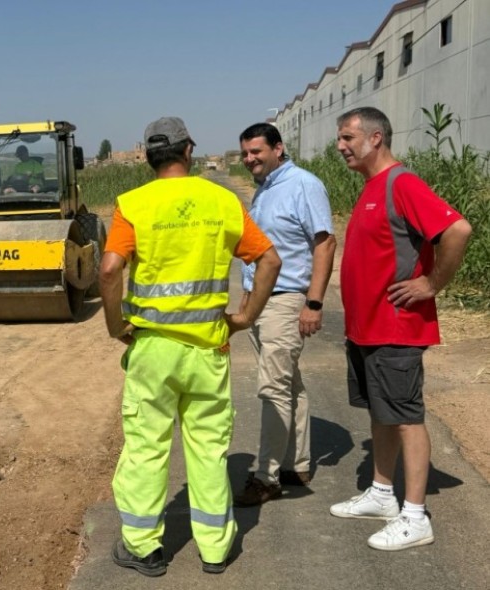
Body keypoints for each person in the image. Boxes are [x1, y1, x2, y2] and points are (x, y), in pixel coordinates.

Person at [100, 116, 281, 576]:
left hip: (153, 351)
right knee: (207, 450)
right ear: (188, 151)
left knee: (146, 447)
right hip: (208, 351)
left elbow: (108, 270)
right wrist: (244, 317)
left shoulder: (133, 205)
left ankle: (144, 548)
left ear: (147, 157)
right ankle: (216, 549)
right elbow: (269, 260)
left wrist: (115, 325)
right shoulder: (222, 201)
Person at [331, 107, 472, 551]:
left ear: (376, 138)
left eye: (348, 137)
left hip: (395, 328)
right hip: (367, 329)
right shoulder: (372, 187)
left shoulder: (401, 183)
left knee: (407, 417)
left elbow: (458, 230)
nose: (341, 146)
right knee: (382, 412)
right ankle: (381, 493)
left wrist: (431, 284)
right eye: (340, 138)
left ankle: (415, 516)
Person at [233, 123, 336, 506]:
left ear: (278, 148)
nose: (249, 159)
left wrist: (313, 302)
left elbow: (325, 243)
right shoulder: (266, 190)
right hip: (264, 301)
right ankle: (297, 462)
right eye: (245, 153)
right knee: (288, 383)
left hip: (288, 298)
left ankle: (266, 476)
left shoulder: (303, 184)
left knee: (272, 387)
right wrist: (248, 300)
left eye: (256, 152)